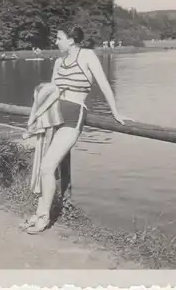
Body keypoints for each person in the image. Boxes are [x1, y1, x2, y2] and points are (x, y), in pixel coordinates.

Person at [22, 24, 133, 234]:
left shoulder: (88, 56)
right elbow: (51, 91)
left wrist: (115, 113)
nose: (56, 42)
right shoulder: (58, 62)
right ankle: (39, 212)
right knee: (43, 166)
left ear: (71, 40)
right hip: (53, 117)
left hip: (73, 118)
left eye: (59, 38)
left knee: (47, 167)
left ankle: (44, 218)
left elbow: (104, 84)